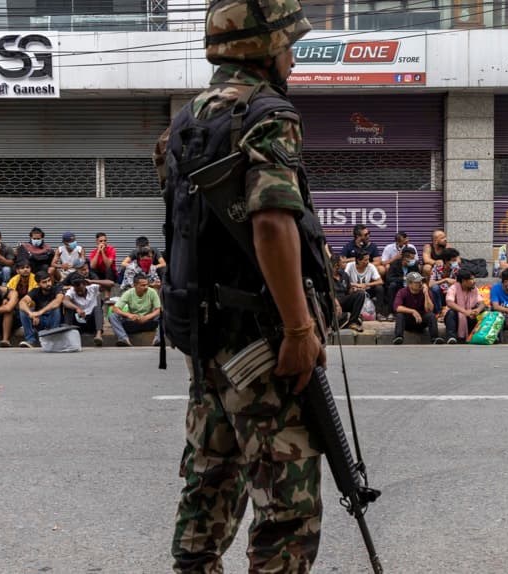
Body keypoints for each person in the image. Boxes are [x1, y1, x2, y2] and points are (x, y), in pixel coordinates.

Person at [155, 4, 328, 570]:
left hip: (205, 340)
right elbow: (273, 221)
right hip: (262, 340)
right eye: (287, 45)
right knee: (286, 509)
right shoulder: (267, 113)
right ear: (261, 48)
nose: (293, 57)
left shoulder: (183, 124)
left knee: (210, 478)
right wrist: (300, 329)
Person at [109, 273, 161, 347]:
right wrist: (129, 315)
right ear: (135, 285)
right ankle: (123, 339)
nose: (146, 287)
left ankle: (158, 340)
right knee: (113, 316)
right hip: (133, 322)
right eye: (143, 285)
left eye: (147, 284)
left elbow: (158, 309)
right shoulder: (128, 293)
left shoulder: (152, 292)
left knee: (163, 315)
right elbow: (115, 309)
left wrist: (147, 317)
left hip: (148, 321)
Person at [392, 272, 441, 345]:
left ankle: (435, 338)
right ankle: (398, 337)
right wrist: (412, 311)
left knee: (431, 315)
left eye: (420, 281)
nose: (420, 284)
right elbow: (397, 307)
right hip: (408, 322)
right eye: (416, 282)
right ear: (409, 284)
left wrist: (426, 294)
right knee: (400, 315)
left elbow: (429, 309)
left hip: (421, 321)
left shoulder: (426, 291)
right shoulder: (402, 292)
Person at [17, 270, 63, 348]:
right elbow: (22, 302)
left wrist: (39, 312)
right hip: (40, 321)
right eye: (44, 282)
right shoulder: (35, 291)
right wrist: (31, 314)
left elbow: (58, 301)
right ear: (38, 284)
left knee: (56, 308)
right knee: (23, 311)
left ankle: (53, 339)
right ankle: (30, 340)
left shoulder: (57, 288)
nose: (48, 284)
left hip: (53, 320)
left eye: (49, 280)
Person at [444, 268, 485, 344]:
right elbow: (449, 303)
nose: (474, 281)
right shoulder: (453, 288)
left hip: (470, 316)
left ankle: (474, 335)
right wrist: (464, 311)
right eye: (471, 279)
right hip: (456, 318)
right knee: (451, 313)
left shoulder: (474, 289)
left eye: (474, 278)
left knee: (483, 311)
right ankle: (451, 337)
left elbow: (482, 303)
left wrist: (477, 310)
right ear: (464, 281)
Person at [63, 274, 104, 346]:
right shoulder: (71, 291)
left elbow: (111, 283)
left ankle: (98, 335)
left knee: (97, 308)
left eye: (80, 289)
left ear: (85, 285)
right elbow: (65, 301)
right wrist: (77, 308)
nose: (79, 292)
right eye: (76, 289)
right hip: (78, 321)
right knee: (68, 308)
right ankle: (68, 334)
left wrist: (92, 281)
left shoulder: (93, 287)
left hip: (92, 321)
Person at [345, 250, 386, 320]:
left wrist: (366, 284)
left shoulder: (371, 266)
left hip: (367, 290)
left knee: (379, 288)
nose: (367, 262)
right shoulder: (350, 266)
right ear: (358, 260)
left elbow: (380, 281)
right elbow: (344, 280)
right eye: (365, 260)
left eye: (368, 259)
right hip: (354, 290)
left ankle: (379, 313)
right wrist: (357, 285)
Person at [330, 253, 364, 331]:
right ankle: (345, 320)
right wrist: (337, 305)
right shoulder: (327, 276)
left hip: (343, 300)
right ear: (336, 265)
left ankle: (352, 322)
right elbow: (329, 292)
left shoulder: (344, 275)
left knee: (360, 294)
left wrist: (354, 290)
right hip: (333, 302)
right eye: (343, 263)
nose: (346, 264)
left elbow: (348, 291)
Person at [384, 246, 420, 319]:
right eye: (412, 258)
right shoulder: (395, 264)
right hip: (399, 286)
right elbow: (389, 278)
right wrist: (403, 279)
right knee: (392, 286)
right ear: (405, 258)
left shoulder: (414, 265)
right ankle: (391, 312)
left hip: (410, 287)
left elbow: (418, 277)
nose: (414, 260)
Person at [429, 247, 460, 314]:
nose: (456, 263)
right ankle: (439, 312)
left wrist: (450, 288)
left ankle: (450, 311)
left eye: (456, 260)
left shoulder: (457, 269)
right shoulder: (437, 267)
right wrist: (445, 280)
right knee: (434, 288)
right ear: (446, 261)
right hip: (439, 294)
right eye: (453, 260)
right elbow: (430, 284)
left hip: (451, 293)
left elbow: (460, 283)